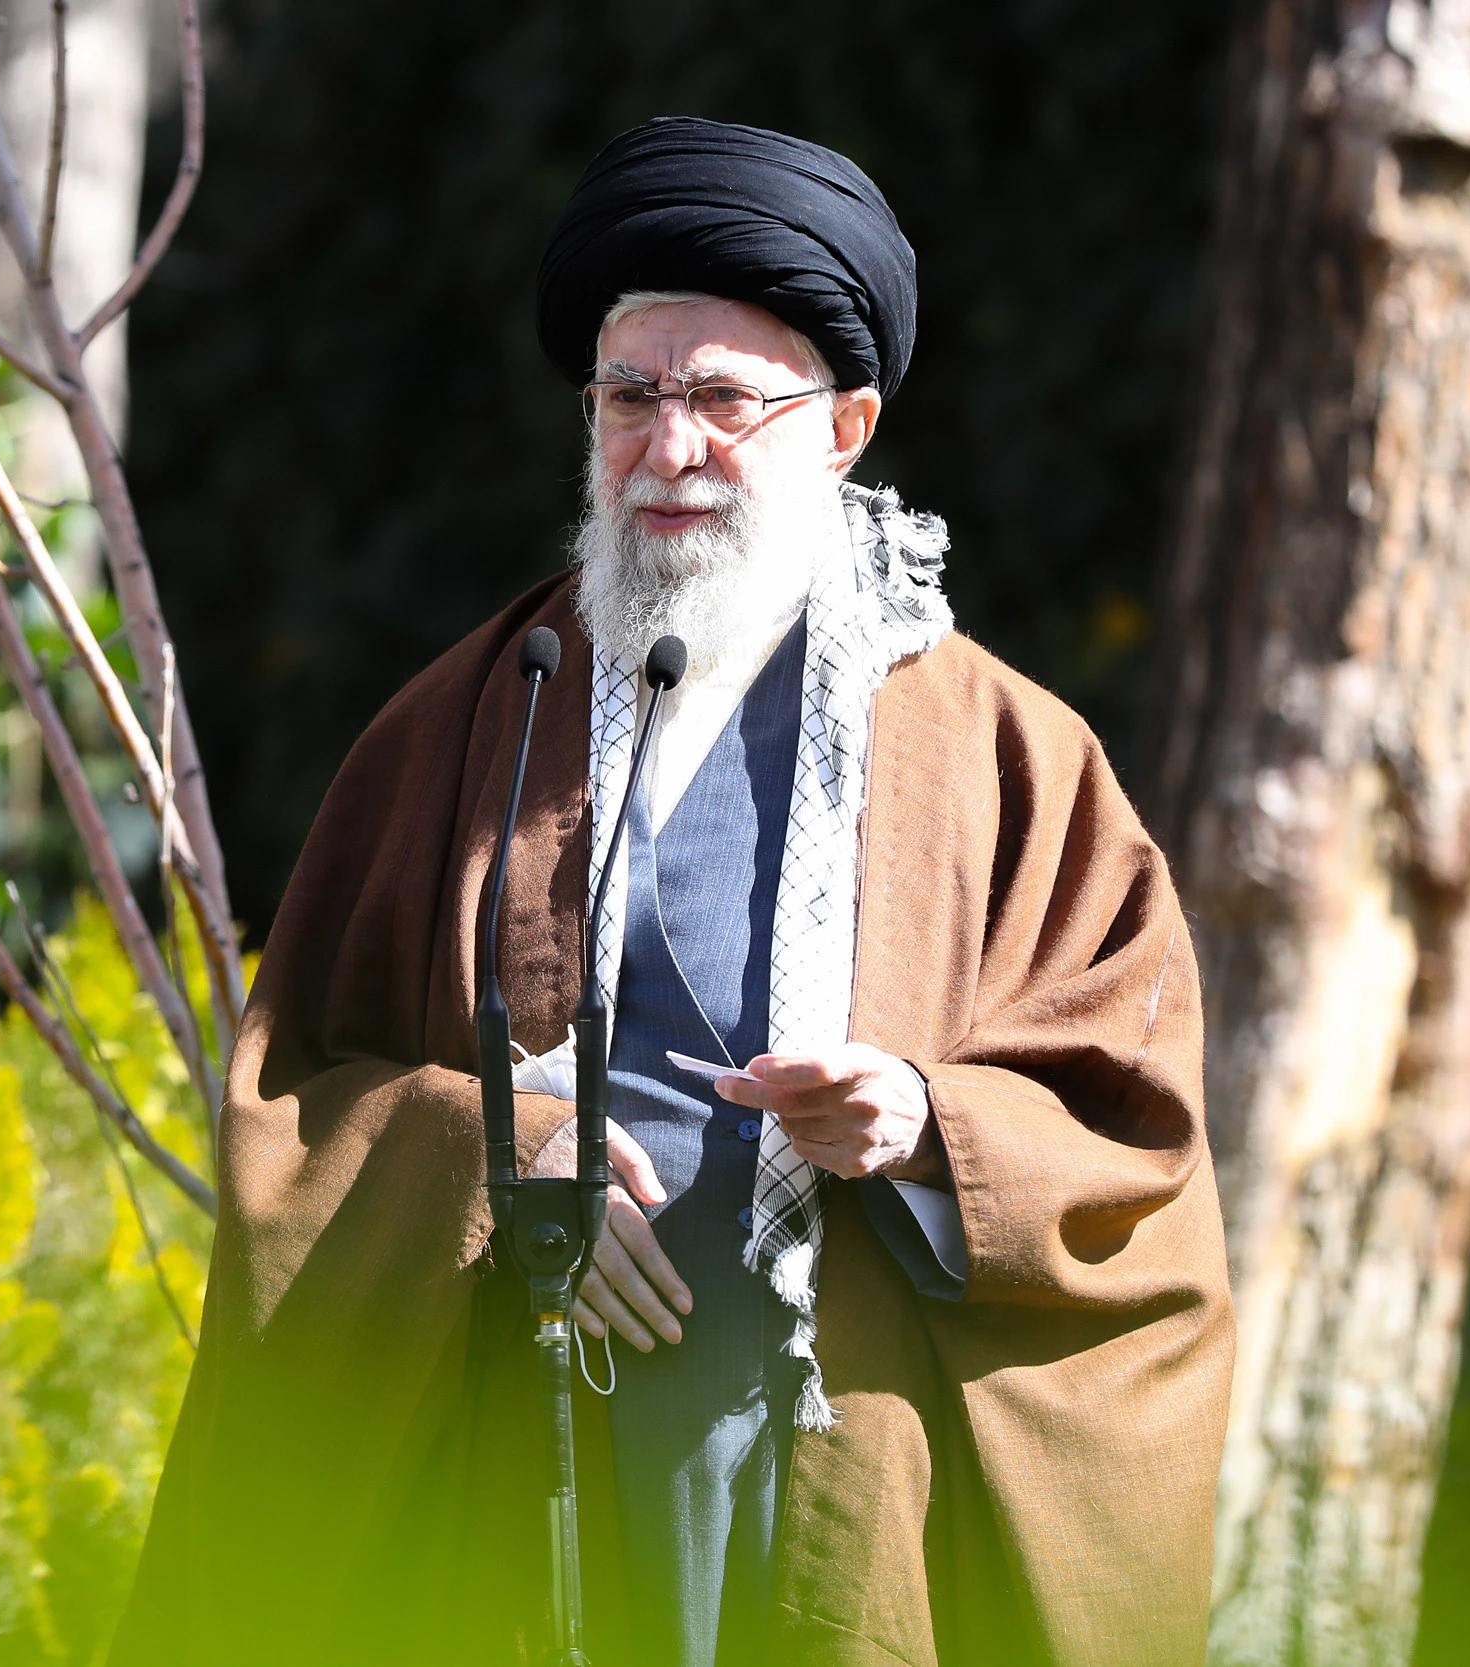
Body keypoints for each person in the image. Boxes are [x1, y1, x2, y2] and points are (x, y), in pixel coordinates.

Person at [110, 118, 1234, 1667]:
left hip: (844, 1460)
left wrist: (924, 1127)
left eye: (722, 399)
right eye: (629, 397)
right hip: (515, 1461)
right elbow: (294, 1099)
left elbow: (1135, 1153)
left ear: (844, 428)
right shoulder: (465, 723)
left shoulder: (1012, 761)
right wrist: (502, 1155)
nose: (669, 446)